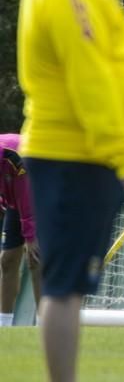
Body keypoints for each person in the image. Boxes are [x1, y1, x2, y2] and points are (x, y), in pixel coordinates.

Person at [17, 0, 124, 380]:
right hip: (72, 159)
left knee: (70, 288)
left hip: (84, 160)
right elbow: (89, 83)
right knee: (63, 288)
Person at [0, 133, 40, 326]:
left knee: (35, 258)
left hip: (39, 196)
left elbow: (27, 197)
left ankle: (43, 325)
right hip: (16, 202)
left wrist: (30, 237)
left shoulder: (12, 156)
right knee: (7, 261)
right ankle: (4, 326)